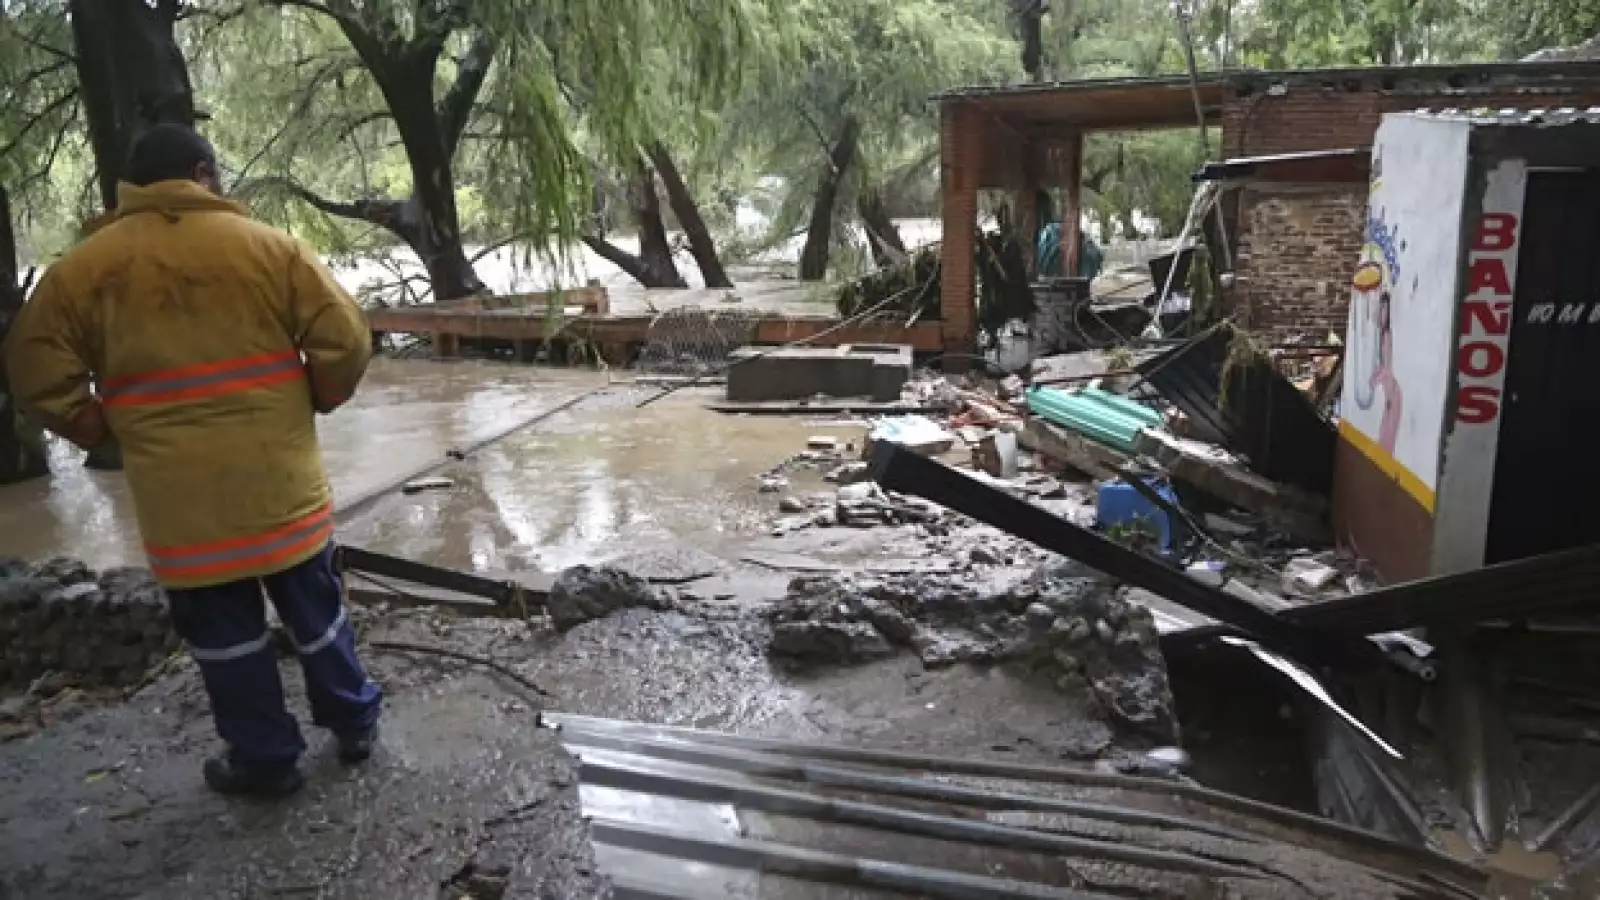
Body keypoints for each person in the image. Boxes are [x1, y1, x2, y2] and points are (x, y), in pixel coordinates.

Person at [3, 124, 381, 798]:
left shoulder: (83, 270)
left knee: (225, 636)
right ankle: (354, 723)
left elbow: (34, 372)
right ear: (204, 173)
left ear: (133, 186)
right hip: (280, 483)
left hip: (182, 506)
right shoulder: (272, 248)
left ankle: (266, 760)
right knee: (316, 612)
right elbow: (345, 339)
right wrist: (318, 398)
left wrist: (99, 429)